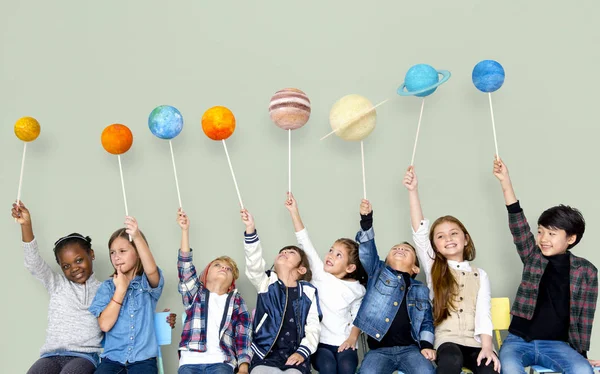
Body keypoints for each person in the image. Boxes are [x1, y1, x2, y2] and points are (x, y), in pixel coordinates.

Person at [493, 157, 597, 374]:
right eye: (540, 231)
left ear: (570, 238)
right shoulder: (533, 256)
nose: (543, 238)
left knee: (583, 371)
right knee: (510, 369)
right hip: (518, 341)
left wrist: (582, 356)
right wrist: (505, 182)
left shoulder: (586, 272)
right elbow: (517, 222)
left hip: (557, 345)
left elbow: (584, 319)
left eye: (551, 233)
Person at [404, 166, 499, 373]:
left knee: (489, 369)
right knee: (450, 362)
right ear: (435, 246)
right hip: (447, 341)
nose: (448, 239)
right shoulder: (434, 267)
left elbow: (484, 313)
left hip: (476, 343)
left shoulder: (480, 275)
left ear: (465, 239)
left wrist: (487, 347)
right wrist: (413, 191)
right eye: (440, 236)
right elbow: (419, 234)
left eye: (454, 233)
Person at [284, 192, 367, 374]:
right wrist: (293, 211)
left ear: (350, 268)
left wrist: (352, 339)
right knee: (328, 367)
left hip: (344, 341)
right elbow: (304, 240)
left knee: (346, 367)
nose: (330, 255)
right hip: (320, 343)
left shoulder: (357, 289)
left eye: (338, 255)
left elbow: (358, 317)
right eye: (331, 250)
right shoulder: (320, 273)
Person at [353, 199, 436, 374]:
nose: (400, 249)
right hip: (379, 351)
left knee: (426, 372)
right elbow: (367, 251)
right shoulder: (377, 272)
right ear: (386, 260)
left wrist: (427, 345)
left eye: (407, 250)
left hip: (411, 349)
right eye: (395, 248)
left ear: (415, 268)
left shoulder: (421, 289)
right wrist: (366, 220)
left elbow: (427, 321)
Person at [241, 208, 322, 374]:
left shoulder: (308, 292)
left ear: (301, 270)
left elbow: (313, 327)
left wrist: (302, 352)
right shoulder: (266, 282)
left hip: (295, 355)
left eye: (291, 252)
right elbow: (253, 265)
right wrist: (250, 229)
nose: (284, 252)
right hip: (264, 353)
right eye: (282, 252)